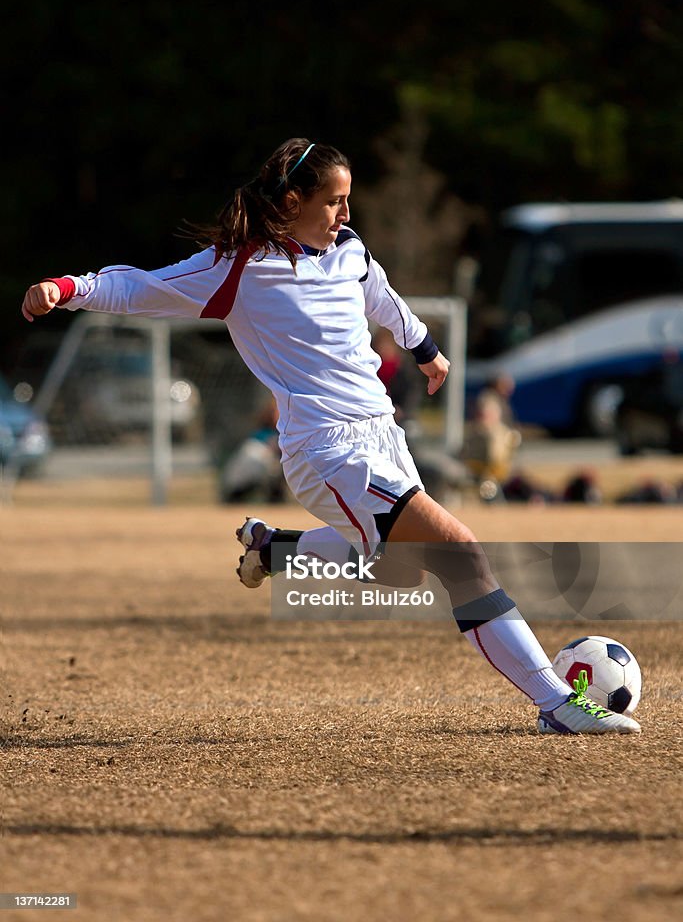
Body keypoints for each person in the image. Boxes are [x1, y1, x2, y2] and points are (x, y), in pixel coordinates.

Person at [21, 137, 639, 735]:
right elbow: (143, 287)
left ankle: (275, 550)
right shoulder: (240, 267)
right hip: (328, 452)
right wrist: (69, 290)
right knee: (464, 555)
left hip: (383, 438)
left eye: (348, 201)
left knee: (403, 573)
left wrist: (425, 349)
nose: (345, 213)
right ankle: (558, 703)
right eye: (334, 201)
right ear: (292, 202)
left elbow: (383, 297)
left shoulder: (348, 248)